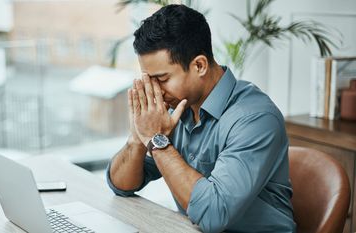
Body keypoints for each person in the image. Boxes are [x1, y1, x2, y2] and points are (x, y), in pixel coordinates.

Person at [106, 4, 296, 233]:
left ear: (199, 65)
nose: (154, 90)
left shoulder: (256, 119)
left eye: (162, 78)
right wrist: (139, 135)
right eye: (149, 80)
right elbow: (122, 185)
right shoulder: (172, 107)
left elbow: (214, 214)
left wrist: (157, 140)